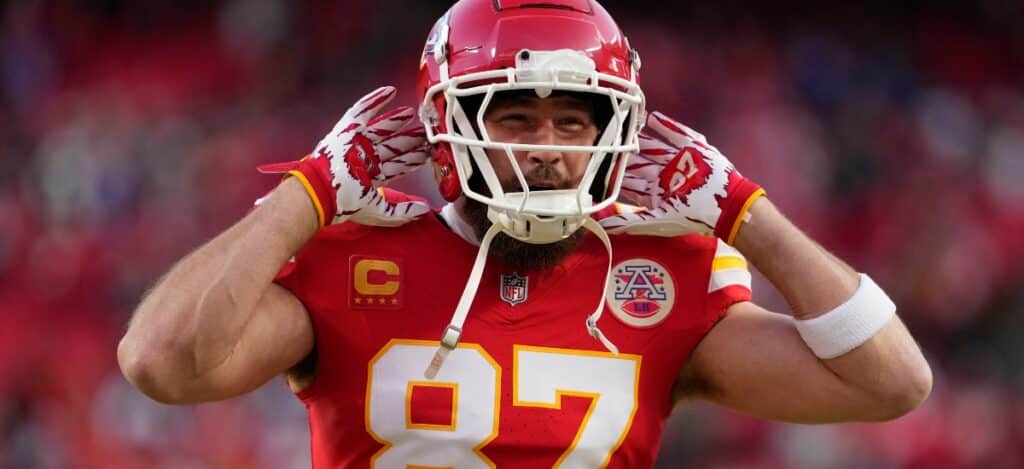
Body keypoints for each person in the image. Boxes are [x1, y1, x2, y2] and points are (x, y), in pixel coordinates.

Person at [117, 1, 933, 467]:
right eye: (514, 117)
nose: (546, 147)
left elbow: (893, 382)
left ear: (614, 131)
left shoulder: (662, 272)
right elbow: (160, 361)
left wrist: (748, 213)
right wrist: (307, 195)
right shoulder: (355, 252)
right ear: (451, 125)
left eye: (573, 121)